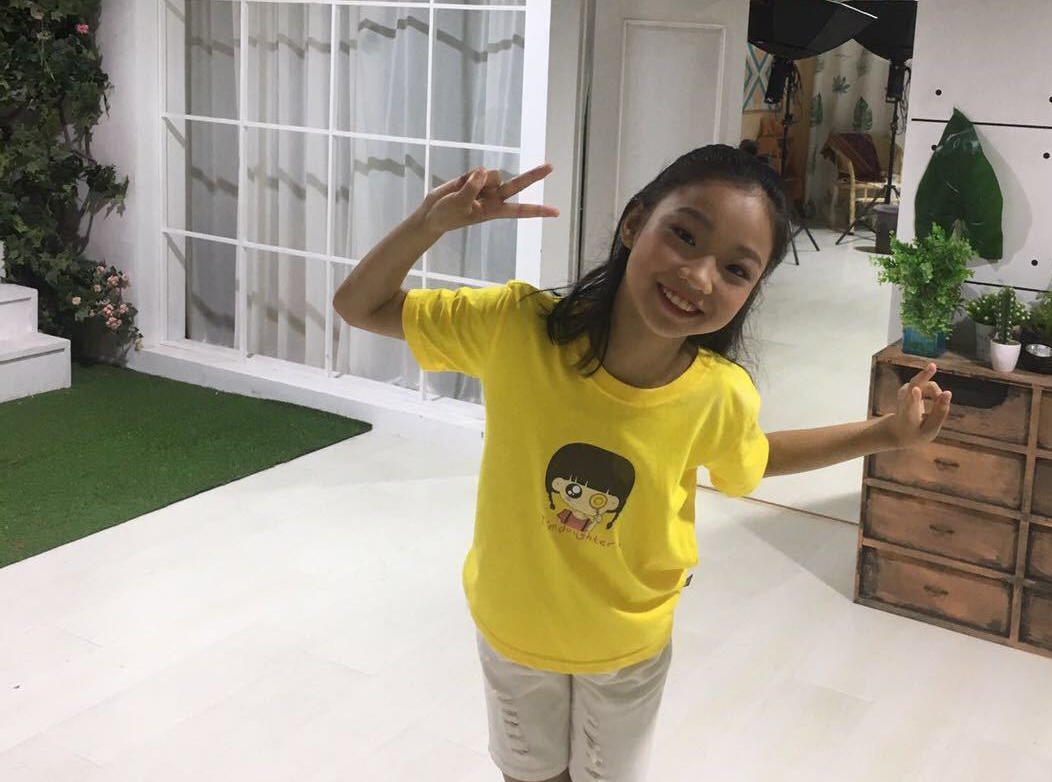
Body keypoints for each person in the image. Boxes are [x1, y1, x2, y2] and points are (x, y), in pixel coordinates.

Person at [333, 144, 952, 782]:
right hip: (514, 626)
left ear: (750, 292)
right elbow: (359, 306)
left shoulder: (718, 393)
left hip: (627, 646)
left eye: (736, 270)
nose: (699, 277)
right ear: (634, 223)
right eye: (684, 235)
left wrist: (885, 433)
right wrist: (429, 223)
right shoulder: (515, 327)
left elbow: (755, 458)